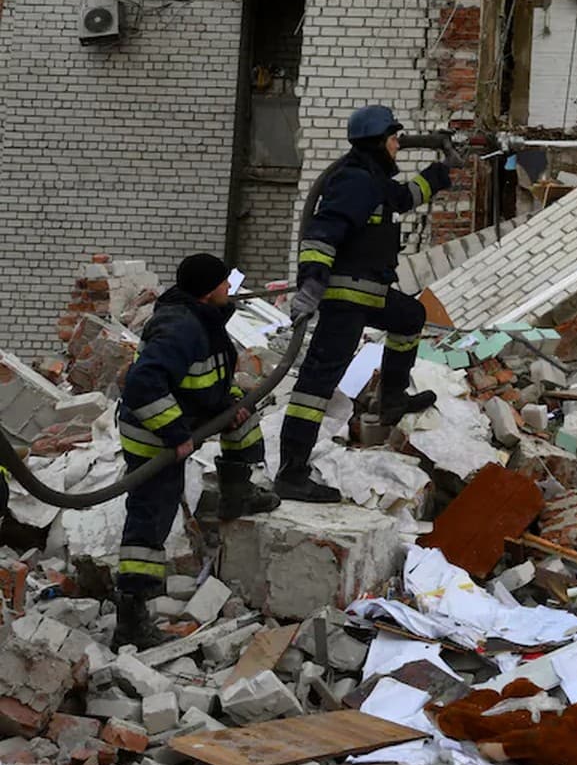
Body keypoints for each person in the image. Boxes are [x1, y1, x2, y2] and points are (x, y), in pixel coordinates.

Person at [277, 104, 452, 504]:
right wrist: (311, 285)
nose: (397, 145)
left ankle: (392, 399)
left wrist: (441, 172)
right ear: (377, 141)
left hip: (369, 293)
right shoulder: (354, 181)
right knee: (316, 386)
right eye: (393, 138)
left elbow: (405, 198)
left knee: (410, 316)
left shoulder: (373, 180)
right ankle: (291, 473)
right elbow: (322, 232)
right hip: (345, 299)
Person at [115, 253, 277, 649]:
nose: (229, 288)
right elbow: (142, 385)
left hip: (187, 415)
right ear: (207, 291)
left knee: (243, 415)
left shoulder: (204, 319)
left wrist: (228, 406)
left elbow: (203, 377)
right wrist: (175, 433)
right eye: (223, 283)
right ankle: (131, 617)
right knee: (152, 515)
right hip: (153, 436)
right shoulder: (181, 328)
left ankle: (237, 492)